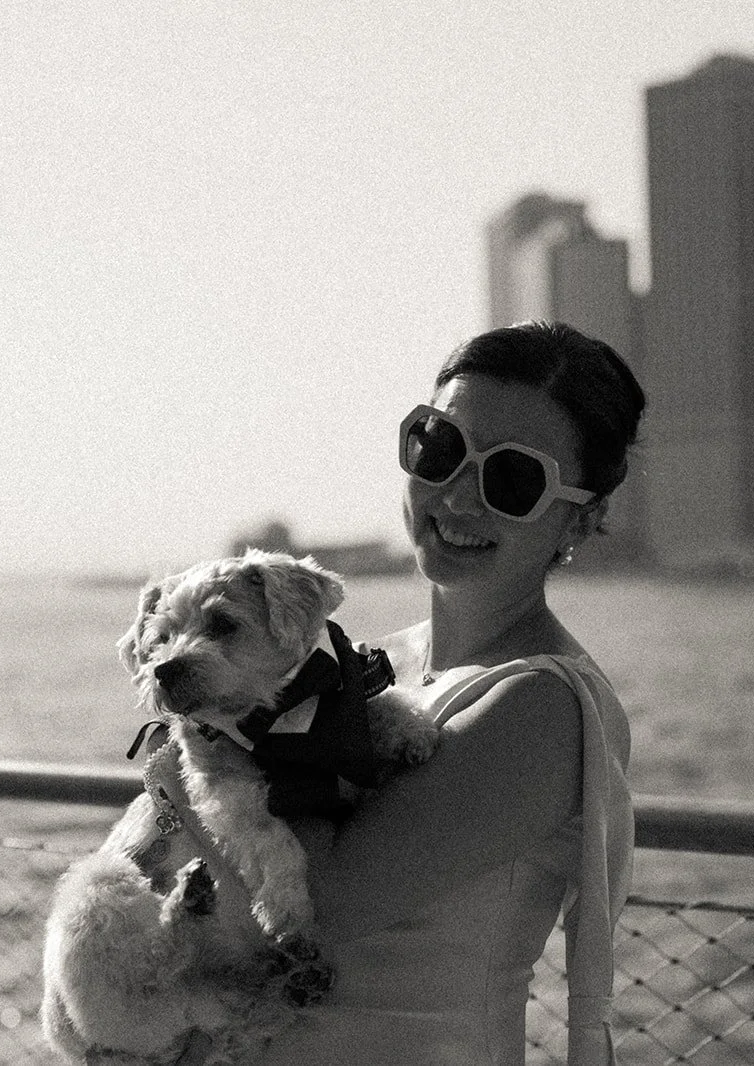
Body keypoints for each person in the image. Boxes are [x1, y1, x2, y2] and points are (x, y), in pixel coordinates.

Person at [252, 320, 645, 1066]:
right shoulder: (380, 664)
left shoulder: (544, 707)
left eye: (513, 478)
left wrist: (211, 757)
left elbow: (318, 903)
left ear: (582, 518)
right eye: (439, 448)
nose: (458, 497)